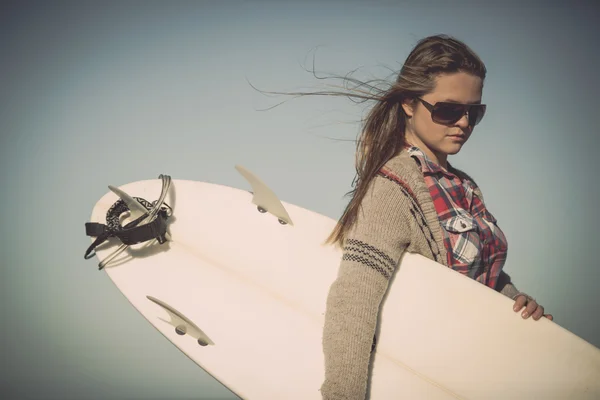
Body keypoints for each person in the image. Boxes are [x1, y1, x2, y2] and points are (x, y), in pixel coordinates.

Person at [314, 35, 553, 399]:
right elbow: (354, 302)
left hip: (479, 374)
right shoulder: (393, 188)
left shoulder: (464, 185)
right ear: (409, 103)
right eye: (447, 110)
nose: (463, 123)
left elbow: (478, 275)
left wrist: (516, 300)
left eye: (474, 112)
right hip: (428, 379)